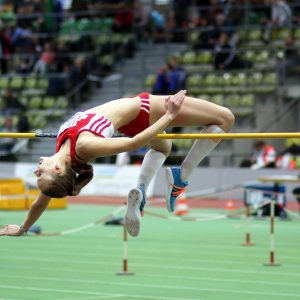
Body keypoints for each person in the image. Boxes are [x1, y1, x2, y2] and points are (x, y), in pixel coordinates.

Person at [0, 90, 234, 237]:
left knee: (164, 146)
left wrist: (23, 228)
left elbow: (41, 200)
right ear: (59, 169)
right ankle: (182, 176)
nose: (36, 170)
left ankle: (141, 190)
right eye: (40, 174)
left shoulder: (64, 151)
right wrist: (169, 115)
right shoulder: (83, 147)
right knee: (226, 118)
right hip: (143, 110)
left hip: (130, 120)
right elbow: (132, 145)